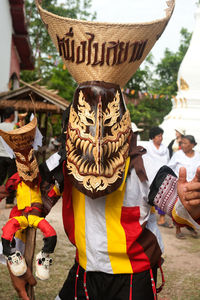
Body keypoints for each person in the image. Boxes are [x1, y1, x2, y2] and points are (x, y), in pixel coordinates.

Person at [5, 1, 200, 299]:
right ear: (71, 128)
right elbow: (29, 210)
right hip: (83, 274)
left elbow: (178, 207)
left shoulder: (145, 165)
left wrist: (191, 204)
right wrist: (15, 267)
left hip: (133, 280)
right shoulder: (63, 163)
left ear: (123, 123)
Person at [168, 135, 200, 239]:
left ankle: (192, 227)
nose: (182, 145)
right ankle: (178, 229)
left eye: (185, 143)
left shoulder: (198, 155)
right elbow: (169, 167)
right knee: (178, 208)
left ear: (192, 145)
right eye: (181, 143)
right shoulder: (178, 155)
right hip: (180, 186)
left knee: (192, 208)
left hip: (194, 187)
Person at [143, 127, 172, 228]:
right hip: (150, 176)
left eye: (161, 135)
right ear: (153, 137)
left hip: (162, 176)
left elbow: (168, 162)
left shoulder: (165, 149)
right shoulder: (147, 147)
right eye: (159, 136)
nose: (161, 138)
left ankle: (162, 218)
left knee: (162, 196)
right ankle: (146, 216)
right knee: (149, 196)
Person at [0, 107, 17, 208]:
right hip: (11, 157)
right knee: (12, 180)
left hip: (0, 156)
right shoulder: (15, 127)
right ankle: (9, 202)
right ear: (12, 116)